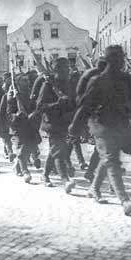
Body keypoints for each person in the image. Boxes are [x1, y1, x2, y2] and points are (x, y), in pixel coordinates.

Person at [70, 45, 131, 215]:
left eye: (121, 58)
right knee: (111, 159)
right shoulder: (98, 81)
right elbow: (85, 106)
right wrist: (75, 126)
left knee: (109, 156)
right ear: (109, 61)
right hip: (99, 123)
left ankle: (94, 188)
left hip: (119, 123)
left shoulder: (126, 79)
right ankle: (124, 200)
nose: (120, 62)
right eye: (116, 59)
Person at [36, 57, 77, 193]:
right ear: (56, 70)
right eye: (63, 69)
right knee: (59, 151)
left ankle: (45, 175)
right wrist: (57, 104)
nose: (67, 71)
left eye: (67, 68)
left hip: (65, 122)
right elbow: (40, 106)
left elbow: (74, 102)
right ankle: (65, 180)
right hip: (52, 122)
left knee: (55, 149)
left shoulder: (69, 84)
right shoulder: (48, 85)